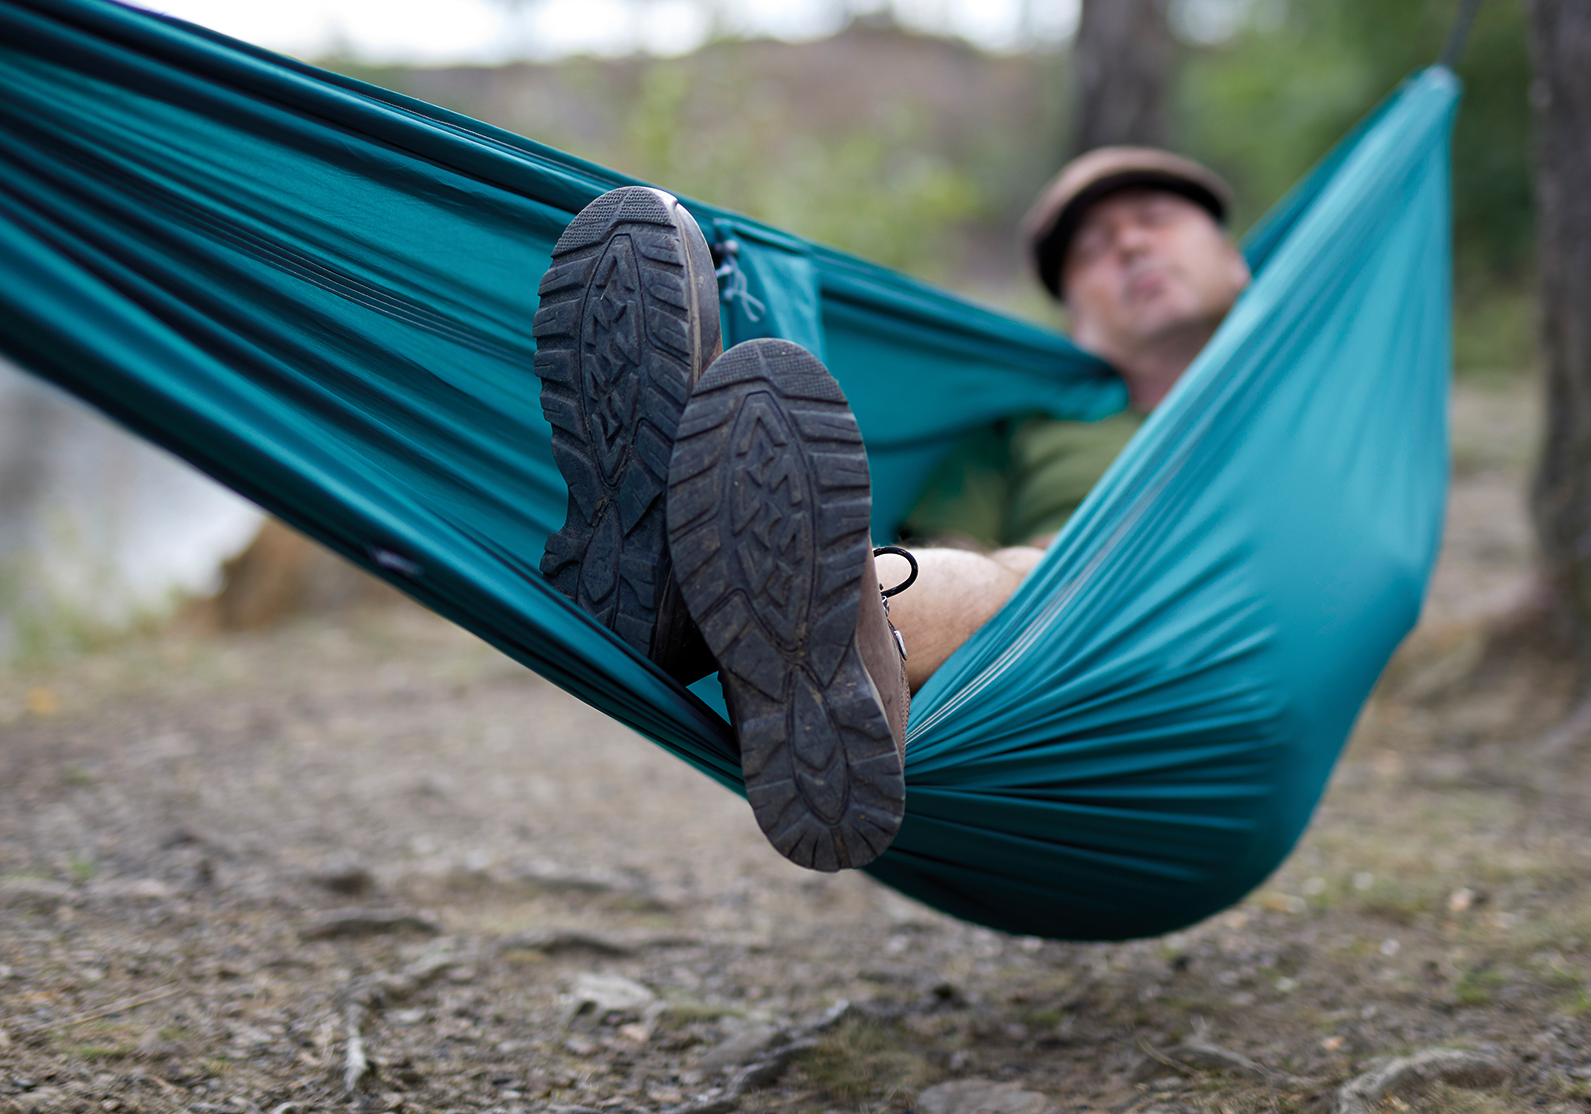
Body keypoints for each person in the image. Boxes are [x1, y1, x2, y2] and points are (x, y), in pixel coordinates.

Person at [531, 149, 1250, 875]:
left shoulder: (1300, 408)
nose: (1128, 244)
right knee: (1014, 578)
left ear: (1236, 261)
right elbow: (951, 544)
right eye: (1093, 248)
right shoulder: (1026, 427)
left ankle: (690, 603)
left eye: (1156, 220)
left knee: (1032, 573)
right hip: (1058, 635)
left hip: (1222, 632)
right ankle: (815, 620)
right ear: (1075, 314)